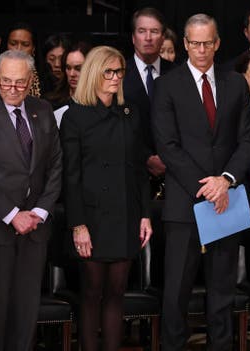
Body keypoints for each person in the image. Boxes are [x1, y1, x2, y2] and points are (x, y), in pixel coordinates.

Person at [152, 13, 250, 350]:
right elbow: (167, 146)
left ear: (217, 44)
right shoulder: (167, 85)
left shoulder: (235, 83)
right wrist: (207, 185)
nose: (200, 49)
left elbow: (248, 141)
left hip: (226, 201)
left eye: (206, 43)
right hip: (185, 202)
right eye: (194, 43)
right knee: (176, 291)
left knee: (222, 290)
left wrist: (225, 180)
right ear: (184, 44)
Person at [0, 49, 62, 351]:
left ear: (31, 79)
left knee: (25, 316)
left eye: (20, 83)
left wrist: (40, 211)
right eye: (5, 82)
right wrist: (12, 214)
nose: (12, 89)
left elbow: (56, 164)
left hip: (35, 231)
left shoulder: (43, 109)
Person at [60, 45, 153, 351]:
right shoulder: (75, 116)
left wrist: (144, 214)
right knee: (91, 293)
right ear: (93, 74)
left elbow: (139, 169)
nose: (116, 78)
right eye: (109, 72)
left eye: (119, 72)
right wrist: (78, 225)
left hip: (125, 215)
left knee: (117, 293)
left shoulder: (130, 113)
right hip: (92, 219)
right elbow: (71, 177)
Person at [123, 7, 174, 195]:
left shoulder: (177, 73)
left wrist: (169, 158)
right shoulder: (117, 75)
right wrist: (146, 157)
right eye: (142, 31)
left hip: (174, 173)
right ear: (133, 37)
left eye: (154, 31)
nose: (148, 37)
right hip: (131, 172)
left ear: (163, 37)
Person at [44, 41, 92, 111]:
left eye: (78, 69)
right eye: (68, 68)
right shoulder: (50, 103)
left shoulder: (100, 103)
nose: (72, 74)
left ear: (91, 69)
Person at [2, 22, 43, 97]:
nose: (19, 49)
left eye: (25, 45)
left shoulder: (46, 78)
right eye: (13, 43)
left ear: (33, 48)